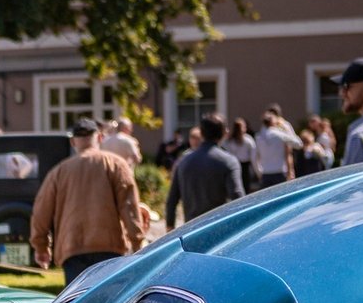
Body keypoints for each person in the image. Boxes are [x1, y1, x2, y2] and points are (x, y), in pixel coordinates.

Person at [29, 118, 145, 283]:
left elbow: (41, 212)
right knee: (109, 298)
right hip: (109, 247)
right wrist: (137, 242)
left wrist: (41, 247)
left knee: (79, 298)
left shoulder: (59, 171)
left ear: (73, 142)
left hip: (72, 248)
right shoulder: (116, 165)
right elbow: (129, 207)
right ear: (100, 137)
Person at [165, 113, 245, 229]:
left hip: (192, 230)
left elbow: (172, 200)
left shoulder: (183, 162)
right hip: (220, 229)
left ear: (201, 133)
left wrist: (169, 226)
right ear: (225, 133)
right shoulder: (229, 162)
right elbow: (237, 197)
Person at [255, 106, 299, 189]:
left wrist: (259, 171)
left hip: (267, 172)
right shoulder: (279, 132)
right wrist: (290, 171)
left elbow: (288, 151)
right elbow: (294, 147)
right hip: (279, 171)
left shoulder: (260, 135)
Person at [221, 119, 257, 192]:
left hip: (236, 165)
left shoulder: (230, 141)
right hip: (244, 166)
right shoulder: (248, 140)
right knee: (245, 187)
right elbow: (253, 157)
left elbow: (224, 148)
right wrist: (256, 171)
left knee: (236, 186)